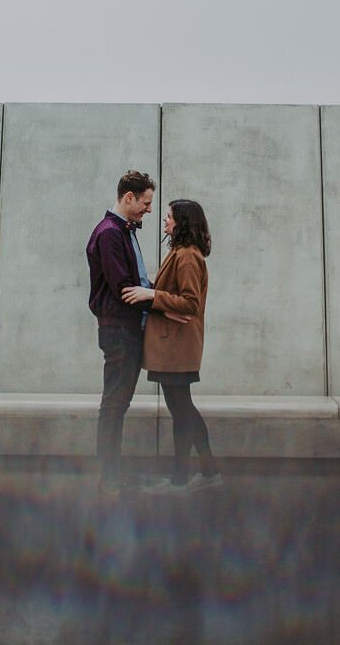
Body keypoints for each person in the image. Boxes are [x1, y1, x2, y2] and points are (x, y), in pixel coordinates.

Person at [122, 199, 222, 495]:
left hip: (177, 347)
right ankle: (200, 473)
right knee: (182, 411)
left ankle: (193, 476)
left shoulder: (188, 256)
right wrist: (153, 293)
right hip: (173, 347)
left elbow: (190, 303)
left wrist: (150, 295)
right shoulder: (180, 253)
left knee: (183, 411)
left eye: (169, 216)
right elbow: (172, 295)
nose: (165, 220)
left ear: (182, 222)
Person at [86, 170, 156, 497]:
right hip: (119, 330)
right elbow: (123, 288)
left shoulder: (121, 231)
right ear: (128, 197)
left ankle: (112, 475)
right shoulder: (111, 233)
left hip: (125, 329)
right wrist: (161, 302)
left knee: (118, 403)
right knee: (114, 404)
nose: (149, 210)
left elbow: (135, 283)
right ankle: (108, 478)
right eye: (145, 202)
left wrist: (154, 292)